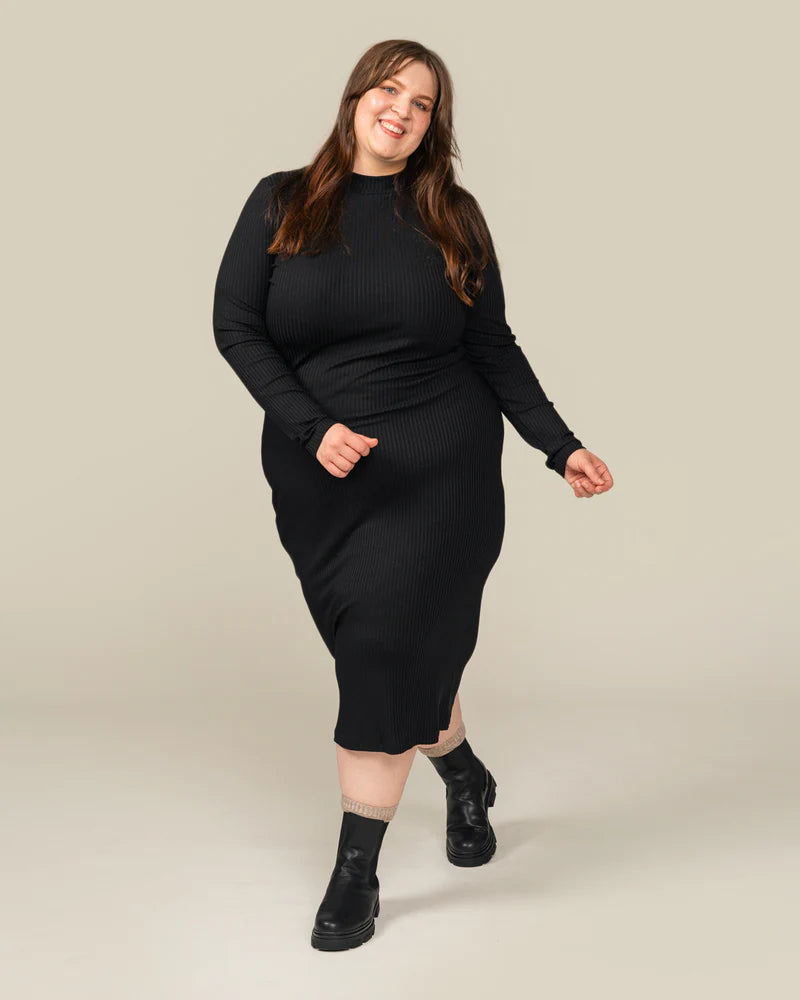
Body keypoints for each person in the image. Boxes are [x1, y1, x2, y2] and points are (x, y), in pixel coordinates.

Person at [212, 39, 613, 951]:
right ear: (356, 97)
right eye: (388, 89)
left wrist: (560, 446)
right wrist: (312, 428)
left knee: (383, 655)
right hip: (322, 480)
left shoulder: (451, 217)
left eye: (423, 102)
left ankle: (356, 876)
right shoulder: (282, 200)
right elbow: (236, 327)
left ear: (435, 125)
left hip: (441, 473)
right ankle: (465, 777)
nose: (401, 109)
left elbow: (492, 345)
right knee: (390, 659)